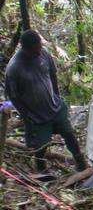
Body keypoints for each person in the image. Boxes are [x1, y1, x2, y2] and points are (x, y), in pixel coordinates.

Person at [4, 29, 88, 171]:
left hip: (55, 107)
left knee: (68, 133)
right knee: (41, 146)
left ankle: (80, 163)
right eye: (35, 50)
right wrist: (26, 116)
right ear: (25, 49)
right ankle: (42, 171)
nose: (38, 52)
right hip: (36, 115)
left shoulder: (44, 53)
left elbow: (53, 74)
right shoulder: (14, 68)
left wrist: (56, 95)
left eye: (39, 47)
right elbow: (13, 96)